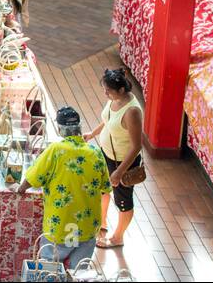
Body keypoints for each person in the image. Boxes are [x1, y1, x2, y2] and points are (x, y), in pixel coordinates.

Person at [16, 105, 111, 270]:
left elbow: (34, 177)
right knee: (78, 272)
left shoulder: (56, 150)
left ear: (60, 129)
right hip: (89, 226)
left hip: (64, 225)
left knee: (49, 269)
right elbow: (105, 186)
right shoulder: (95, 152)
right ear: (79, 127)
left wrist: (21, 188)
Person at [85, 68, 143, 250]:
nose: (105, 93)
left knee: (123, 201)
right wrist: (92, 133)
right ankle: (101, 223)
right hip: (106, 153)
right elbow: (108, 119)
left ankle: (118, 237)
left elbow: (136, 146)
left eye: (108, 90)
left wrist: (119, 172)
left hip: (122, 162)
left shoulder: (132, 111)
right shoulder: (114, 100)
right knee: (103, 190)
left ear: (121, 90)